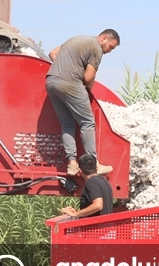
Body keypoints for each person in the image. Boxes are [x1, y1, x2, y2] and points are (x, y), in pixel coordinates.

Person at [46, 30, 121, 176]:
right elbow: (88, 77)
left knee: (67, 124)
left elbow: (52, 53)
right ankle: (94, 164)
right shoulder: (96, 48)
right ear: (104, 38)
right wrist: (88, 91)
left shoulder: (76, 38)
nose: (109, 51)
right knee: (87, 123)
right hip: (70, 84)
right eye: (111, 47)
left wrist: (64, 70)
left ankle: (72, 164)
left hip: (51, 82)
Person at [60, 153, 114, 220]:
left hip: (96, 228)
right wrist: (79, 212)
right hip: (105, 227)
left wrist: (75, 214)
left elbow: (98, 205)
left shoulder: (92, 182)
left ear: (79, 170)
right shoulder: (103, 180)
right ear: (96, 167)